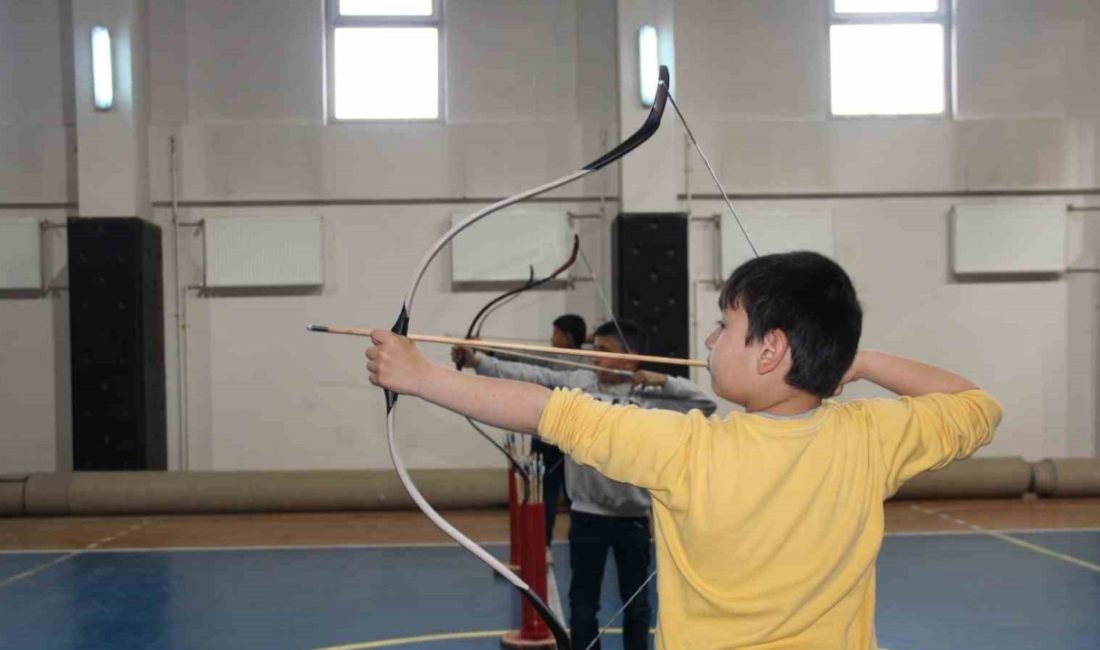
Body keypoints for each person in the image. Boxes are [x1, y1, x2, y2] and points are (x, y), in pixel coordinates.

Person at [367, 251, 1002, 649]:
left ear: (771, 350)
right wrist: (860, 361)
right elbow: (976, 406)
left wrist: (422, 378)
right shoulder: (871, 438)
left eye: (725, 325)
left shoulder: (685, 448)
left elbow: (545, 410)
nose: (709, 336)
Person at [453, 320, 716, 650]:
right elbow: (532, 377)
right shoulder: (580, 383)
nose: (595, 358)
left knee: (636, 604)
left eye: (605, 352)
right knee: (582, 602)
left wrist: (664, 380)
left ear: (630, 358)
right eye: (595, 350)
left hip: (632, 519)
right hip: (586, 515)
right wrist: (478, 361)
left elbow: (706, 405)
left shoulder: (651, 394)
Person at [473, 313, 588, 545]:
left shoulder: (586, 366)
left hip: (573, 438)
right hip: (547, 436)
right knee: (544, 493)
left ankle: (579, 539)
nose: (552, 338)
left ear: (568, 337)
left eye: (556, 333)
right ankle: (541, 544)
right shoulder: (553, 357)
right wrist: (486, 350)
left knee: (577, 496)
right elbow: (523, 357)